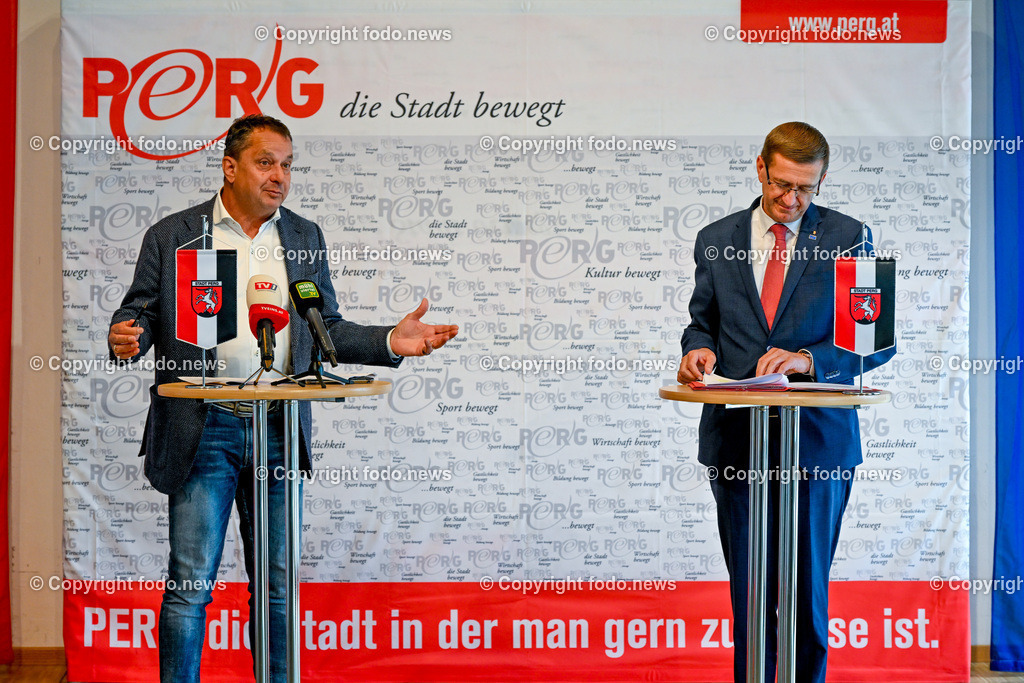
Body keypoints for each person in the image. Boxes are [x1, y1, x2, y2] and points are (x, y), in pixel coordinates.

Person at [107, 114, 458, 682]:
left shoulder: (302, 236)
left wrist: (391, 340)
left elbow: (328, 329)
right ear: (230, 166)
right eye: (266, 162)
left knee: (278, 585)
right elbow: (139, 313)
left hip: (279, 428)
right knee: (191, 583)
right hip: (204, 428)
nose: (280, 176)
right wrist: (127, 335)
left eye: (288, 164)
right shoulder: (174, 236)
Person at [676, 122, 895, 682]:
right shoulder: (714, 237)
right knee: (749, 592)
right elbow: (702, 325)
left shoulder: (852, 236)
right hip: (737, 442)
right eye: (781, 185)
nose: (791, 199)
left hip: (818, 442)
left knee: (805, 589)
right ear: (760, 168)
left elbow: (876, 343)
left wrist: (808, 360)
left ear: (821, 181)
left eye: (806, 188)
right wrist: (698, 352)